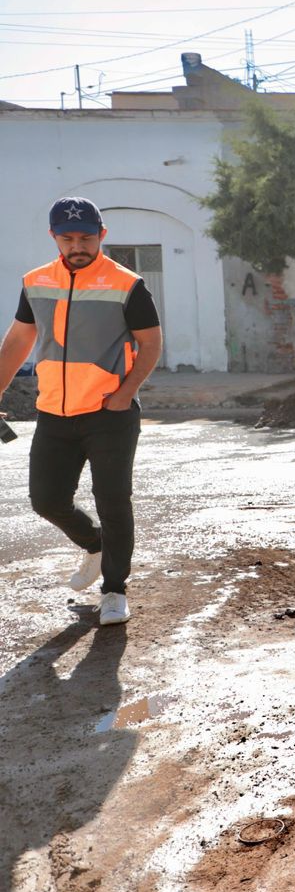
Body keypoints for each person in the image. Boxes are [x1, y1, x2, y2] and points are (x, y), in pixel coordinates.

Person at [0, 197, 163, 626]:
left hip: (110, 412)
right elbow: (17, 342)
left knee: (113, 501)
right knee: (46, 499)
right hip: (53, 412)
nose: (78, 246)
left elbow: (151, 343)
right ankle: (94, 544)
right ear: (54, 237)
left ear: (101, 236)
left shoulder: (127, 284)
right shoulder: (35, 282)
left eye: (86, 238)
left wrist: (126, 393)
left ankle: (114, 590)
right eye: (68, 238)